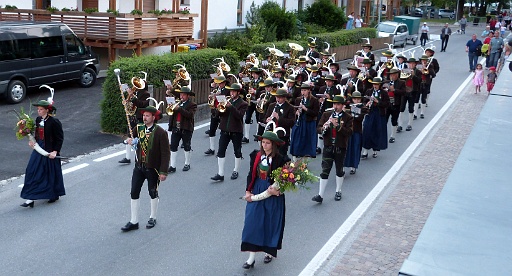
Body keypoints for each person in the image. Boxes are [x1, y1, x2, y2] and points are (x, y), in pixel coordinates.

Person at [241, 131, 288, 269]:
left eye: (268, 143)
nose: (265, 145)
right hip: (257, 189)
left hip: (272, 194)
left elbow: (286, 181)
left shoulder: (281, 160)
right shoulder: (256, 156)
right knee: (252, 222)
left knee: (270, 222)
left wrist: (278, 191)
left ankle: (268, 251)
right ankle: (251, 258)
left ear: (273, 145)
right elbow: (251, 174)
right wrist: (248, 190)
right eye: (263, 142)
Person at [121, 106, 170, 231]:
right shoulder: (139, 128)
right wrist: (128, 140)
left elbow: (165, 153)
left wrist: (163, 171)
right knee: (134, 192)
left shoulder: (160, 132)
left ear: (154, 117)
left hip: (152, 168)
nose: (144, 117)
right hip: (139, 167)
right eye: (144, 115)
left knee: (152, 192)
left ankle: (153, 217)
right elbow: (126, 135)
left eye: (147, 115)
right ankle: (134, 221)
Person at [20, 100, 65, 208]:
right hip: (39, 148)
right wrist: (32, 141)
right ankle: (30, 197)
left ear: (46, 110)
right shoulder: (38, 119)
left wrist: (55, 151)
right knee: (32, 170)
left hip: (49, 149)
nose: (39, 111)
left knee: (50, 173)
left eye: (41, 109)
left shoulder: (54, 122)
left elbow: (59, 138)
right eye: (38, 109)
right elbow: (37, 134)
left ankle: (53, 194)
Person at [312, 95, 353, 203]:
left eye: (338, 104)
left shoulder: (348, 117)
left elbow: (349, 132)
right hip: (328, 146)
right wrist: (324, 128)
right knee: (325, 170)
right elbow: (318, 128)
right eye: (334, 104)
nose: (336, 106)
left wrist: (338, 126)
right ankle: (320, 195)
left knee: (339, 170)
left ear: (343, 105)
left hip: (340, 147)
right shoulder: (326, 115)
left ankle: (338, 190)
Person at [210, 83, 249, 182]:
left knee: (237, 151)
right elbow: (218, 115)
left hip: (236, 130)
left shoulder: (243, 103)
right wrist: (217, 106)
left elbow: (239, 116)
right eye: (231, 91)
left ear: (238, 93)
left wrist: (231, 107)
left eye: (234, 91)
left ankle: (236, 170)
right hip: (224, 130)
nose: (231, 93)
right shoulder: (227, 101)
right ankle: (220, 173)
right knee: (221, 151)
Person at [167, 86, 197, 173]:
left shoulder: (192, 105)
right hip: (176, 127)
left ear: (188, 96)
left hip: (186, 128)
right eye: (180, 95)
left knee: (187, 146)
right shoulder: (177, 103)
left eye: (183, 95)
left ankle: (187, 163)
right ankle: (172, 166)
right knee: (173, 146)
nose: (181, 97)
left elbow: (190, 115)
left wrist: (179, 109)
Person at [119, 86, 150, 164]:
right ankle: (127, 157)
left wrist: (132, 96)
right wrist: (127, 100)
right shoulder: (135, 92)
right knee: (129, 136)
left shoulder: (146, 94)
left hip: (140, 118)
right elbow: (131, 103)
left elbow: (141, 104)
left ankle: (144, 156)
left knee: (141, 137)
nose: (136, 87)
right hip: (132, 117)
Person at [290, 83, 320, 159]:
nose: (303, 92)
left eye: (305, 90)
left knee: (307, 142)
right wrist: (297, 112)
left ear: (309, 91)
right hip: (300, 122)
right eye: (302, 90)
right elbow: (294, 110)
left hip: (309, 123)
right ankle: (295, 158)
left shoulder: (314, 100)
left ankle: (305, 161)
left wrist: (305, 109)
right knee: (297, 139)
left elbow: (316, 113)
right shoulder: (298, 99)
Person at [361, 77, 389, 159]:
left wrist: (378, 102)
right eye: (374, 84)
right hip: (370, 113)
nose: (375, 86)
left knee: (377, 131)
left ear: (379, 85)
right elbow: (364, 101)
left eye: (376, 84)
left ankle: (375, 149)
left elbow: (387, 104)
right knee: (366, 130)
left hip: (379, 114)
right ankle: (365, 151)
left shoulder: (384, 93)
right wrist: (367, 103)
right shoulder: (369, 91)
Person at [264, 88, 295, 157]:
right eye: (276, 97)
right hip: (271, 134)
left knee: (281, 155)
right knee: (270, 154)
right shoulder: (272, 106)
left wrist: (279, 118)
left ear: (284, 98)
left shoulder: (290, 108)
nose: (277, 99)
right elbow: (265, 117)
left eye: (280, 97)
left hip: (282, 135)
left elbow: (291, 122)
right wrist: (267, 120)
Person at [205, 75, 230, 155]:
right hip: (215, 111)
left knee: (223, 132)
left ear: (224, 83)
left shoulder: (228, 90)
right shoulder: (216, 90)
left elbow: (227, 99)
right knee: (212, 130)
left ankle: (221, 148)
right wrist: (211, 97)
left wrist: (219, 95)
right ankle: (211, 148)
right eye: (219, 83)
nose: (220, 85)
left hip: (223, 112)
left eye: (221, 83)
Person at [344, 91, 367, 175]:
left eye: (358, 99)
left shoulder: (363, 108)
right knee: (346, 149)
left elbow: (359, 118)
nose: (356, 101)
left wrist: (353, 109)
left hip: (357, 131)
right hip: (348, 131)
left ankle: (353, 166)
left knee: (355, 148)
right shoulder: (347, 107)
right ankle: (343, 166)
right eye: (355, 99)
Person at [243, 67, 264, 143]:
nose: (253, 75)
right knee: (247, 118)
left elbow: (262, 91)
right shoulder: (251, 81)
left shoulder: (262, 81)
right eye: (252, 73)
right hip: (251, 101)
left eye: (255, 73)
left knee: (258, 118)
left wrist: (255, 92)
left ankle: (257, 134)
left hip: (258, 101)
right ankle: (246, 136)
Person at [384, 68, 406, 143]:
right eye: (391, 75)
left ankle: (393, 136)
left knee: (394, 120)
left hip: (396, 104)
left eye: (394, 75)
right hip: (387, 104)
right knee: (384, 120)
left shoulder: (401, 83)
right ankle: (383, 135)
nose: (392, 76)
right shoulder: (386, 82)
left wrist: (394, 90)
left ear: (397, 75)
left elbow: (403, 92)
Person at [399, 57, 420, 130]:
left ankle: (410, 124)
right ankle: (400, 125)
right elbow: (401, 80)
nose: (411, 65)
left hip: (412, 92)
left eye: (412, 64)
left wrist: (414, 75)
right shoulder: (405, 70)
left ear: (415, 64)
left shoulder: (418, 71)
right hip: (405, 92)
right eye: (409, 63)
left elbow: (419, 81)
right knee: (401, 108)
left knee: (411, 108)